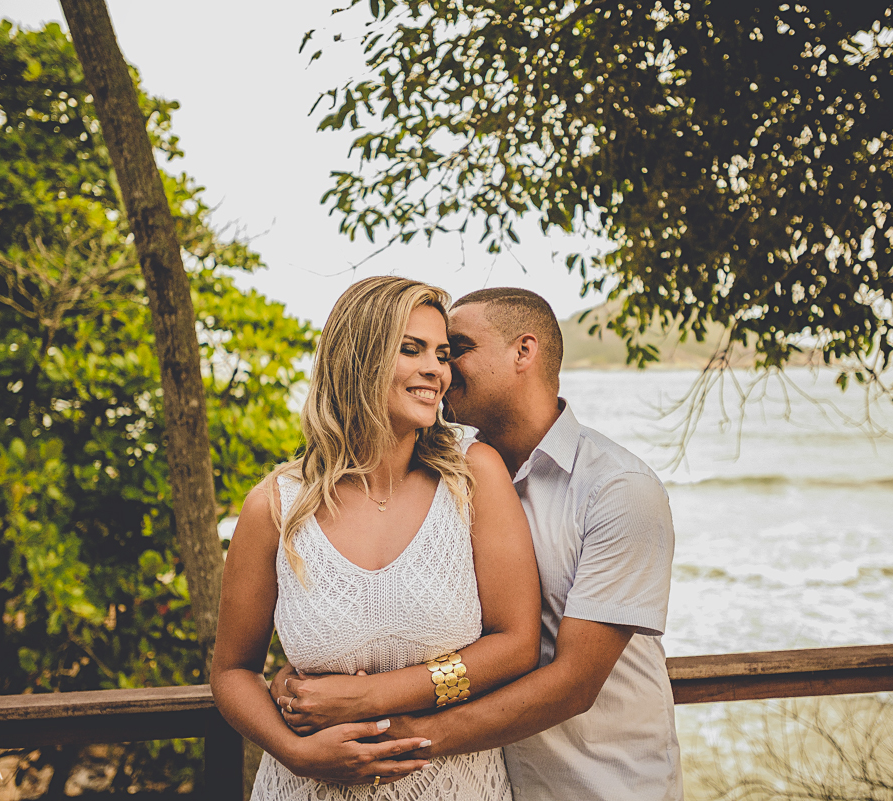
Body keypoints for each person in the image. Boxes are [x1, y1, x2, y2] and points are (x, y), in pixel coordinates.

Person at [273, 287, 682, 801]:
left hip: (597, 782)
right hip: (487, 778)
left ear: (523, 353)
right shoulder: (453, 477)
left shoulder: (618, 489)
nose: (441, 368)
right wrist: (305, 681)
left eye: (453, 349)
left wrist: (388, 728)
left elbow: (575, 681)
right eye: (420, 350)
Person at [210, 277, 542, 800]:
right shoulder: (276, 505)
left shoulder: (474, 476)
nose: (436, 369)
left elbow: (516, 645)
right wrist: (295, 752)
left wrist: (370, 696)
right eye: (410, 350)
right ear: (357, 360)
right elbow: (233, 671)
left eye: (442, 353)